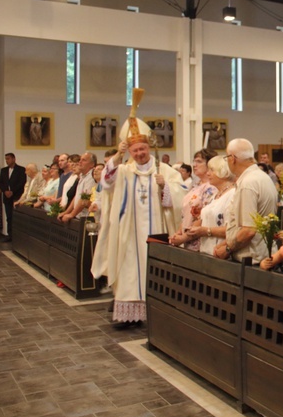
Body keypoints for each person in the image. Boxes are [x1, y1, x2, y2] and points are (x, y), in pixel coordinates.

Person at [91, 116, 187, 327]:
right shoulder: (124, 170)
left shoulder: (165, 170)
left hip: (157, 232)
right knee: (128, 270)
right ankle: (128, 316)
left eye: (142, 149)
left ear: (149, 148)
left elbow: (184, 196)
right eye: (135, 151)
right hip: (128, 233)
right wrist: (118, 154)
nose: (140, 154)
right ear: (130, 152)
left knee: (154, 269)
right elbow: (105, 182)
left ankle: (154, 312)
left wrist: (166, 188)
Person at [213, 138, 278, 264]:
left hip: (251, 259)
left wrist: (227, 249)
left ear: (233, 158)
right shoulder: (262, 176)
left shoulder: (248, 183)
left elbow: (248, 231)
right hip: (262, 254)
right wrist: (226, 242)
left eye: (226, 158)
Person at [182, 156, 236, 256]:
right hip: (206, 251)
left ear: (223, 172)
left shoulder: (232, 194)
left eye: (212, 170)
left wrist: (205, 231)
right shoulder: (215, 195)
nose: (208, 173)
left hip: (220, 252)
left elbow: (232, 229)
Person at [168, 149, 218, 251]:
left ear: (210, 164)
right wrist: (179, 232)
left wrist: (184, 237)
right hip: (188, 238)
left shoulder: (211, 188)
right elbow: (187, 214)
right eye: (194, 161)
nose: (194, 165)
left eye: (199, 161)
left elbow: (203, 217)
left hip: (199, 240)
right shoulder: (196, 186)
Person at [0, 153, 26, 242]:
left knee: (16, 217)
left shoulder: (21, 169)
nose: (7, 161)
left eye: (8, 159)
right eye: (6, 159)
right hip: (7, 197)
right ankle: (10, 235)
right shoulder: (3, 170)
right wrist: (5, 191)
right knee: (9, 217)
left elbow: (22, 182)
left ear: (14, 159)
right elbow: (1, 183)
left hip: (16, 196)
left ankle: (18, 235)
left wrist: (12, 191)